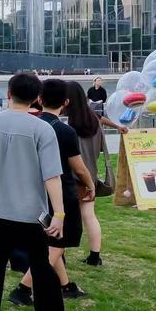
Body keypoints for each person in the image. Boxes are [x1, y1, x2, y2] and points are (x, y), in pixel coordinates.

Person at [0, 72, 71, 311]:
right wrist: (58, 213)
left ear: (8, 93)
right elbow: (52, 176)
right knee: (41, 266)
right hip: (29, 213)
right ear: (37, 98)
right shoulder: (42, 129)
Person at [8, 79, 95, 306]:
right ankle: (23, 289)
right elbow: (78, 167)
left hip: (33, 191)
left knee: (52, 242)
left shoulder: (29, 125)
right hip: (61, 194)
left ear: (39, 99)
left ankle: (65, 285)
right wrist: (90, 184)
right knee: (57, 244)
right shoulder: (65, 131)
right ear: (65, 103)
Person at [65, 81, 125, 267]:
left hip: (70, 177)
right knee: (89, 216)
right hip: (90, 176)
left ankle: (59, 255)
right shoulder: (93, 122)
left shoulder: (68, 126)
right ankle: (95, 256)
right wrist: (118, 127)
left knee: (60, 216)